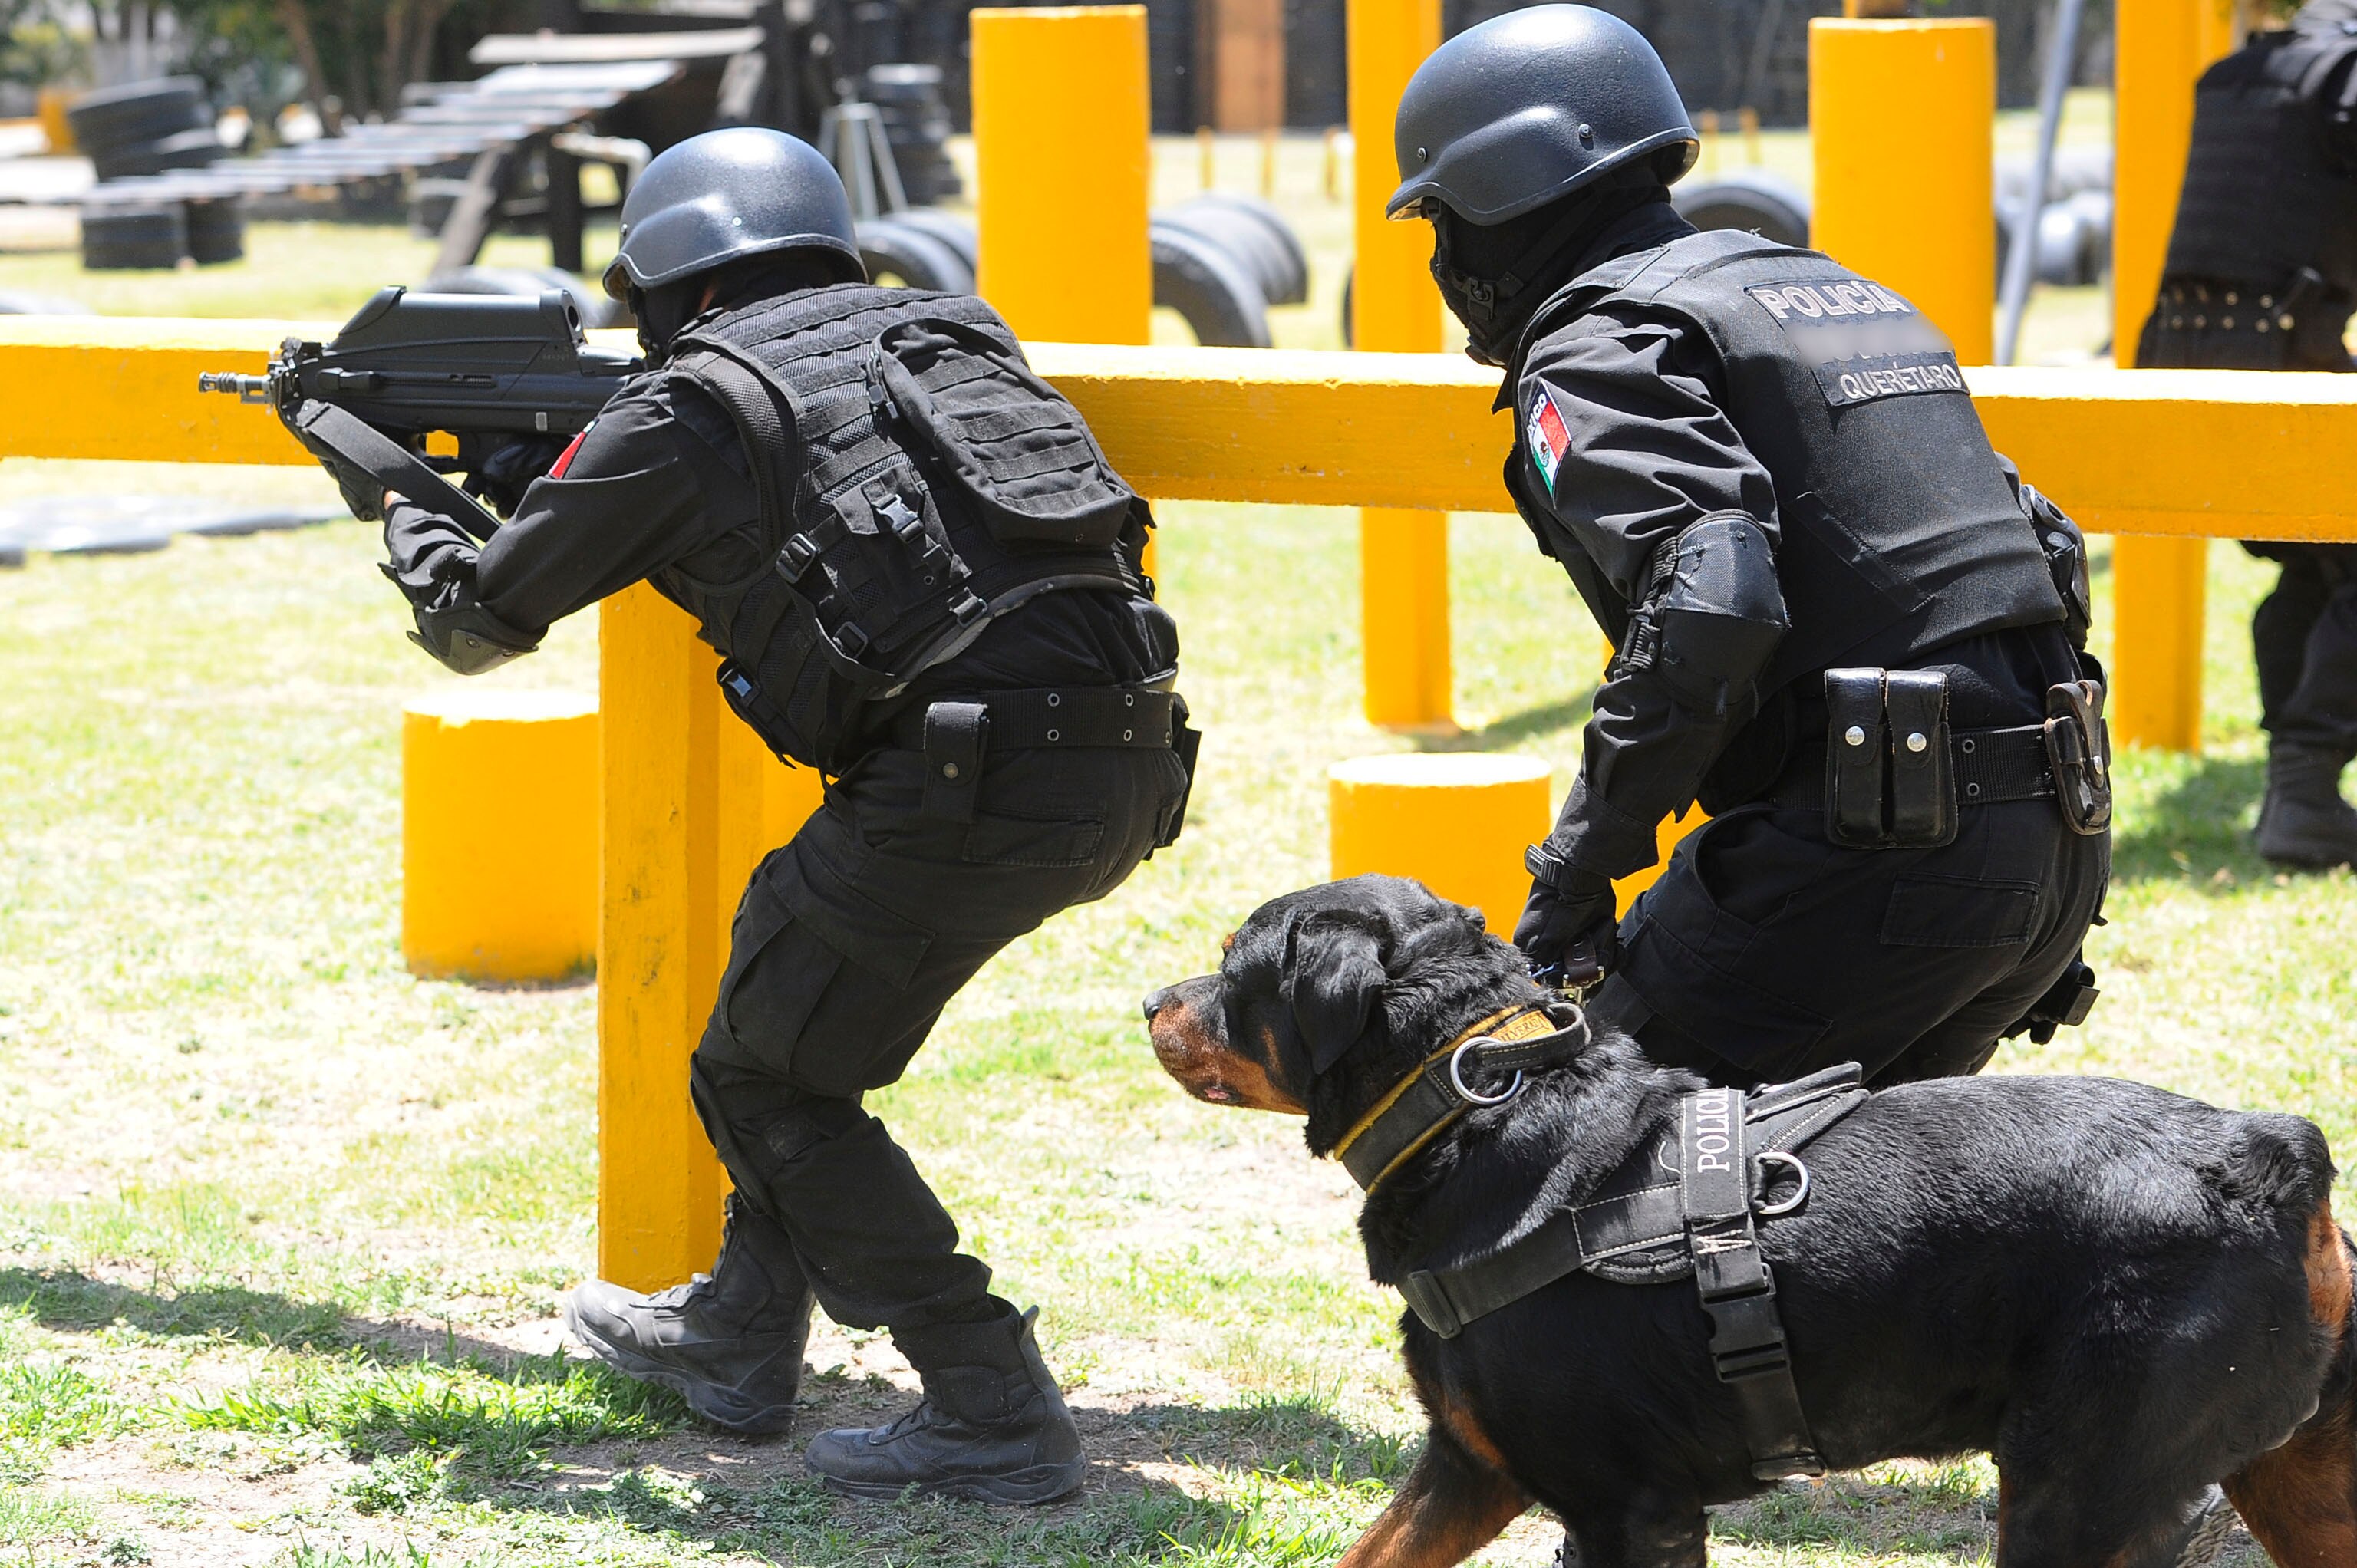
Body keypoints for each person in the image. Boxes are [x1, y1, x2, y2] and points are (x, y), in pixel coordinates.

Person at [292, 128, 1194, 1504]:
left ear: (678, 284)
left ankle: (988, 1396)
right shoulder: (948, 332)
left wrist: (384, 480)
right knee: (776, 1013)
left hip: (966, 776)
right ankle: (739, 1331)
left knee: (764, 1075)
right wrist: (559, 463)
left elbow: (479, 619)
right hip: (1126, 750)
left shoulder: (688, 404)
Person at [1386, 5, 2111, 1090]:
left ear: (1504, 190)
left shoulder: (1604, 339)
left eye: (1442, 218)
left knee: (1579, 1160)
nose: (1443, 257)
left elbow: (1709, 601)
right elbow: (2041, 547)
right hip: (2049, 835)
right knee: (1864, 1235)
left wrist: (1578, 871)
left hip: (1868, 853)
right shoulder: (1833, 294)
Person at [2139, 0, 2357, 868]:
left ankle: (2298, 793)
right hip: (2282, 356)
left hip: (2187, 359)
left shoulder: (2233, 75)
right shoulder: (2343, 76)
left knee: (2321, 561)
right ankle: (2303, 791)